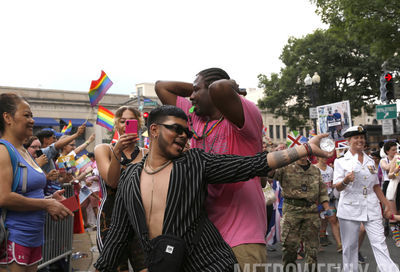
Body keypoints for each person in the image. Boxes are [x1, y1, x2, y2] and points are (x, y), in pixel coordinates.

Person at [94, 105, 333, 272]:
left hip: (207, 264)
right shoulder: (130, 178)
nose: (183, 135)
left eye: (186, 131)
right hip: (163, 264)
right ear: (154, 130)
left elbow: (251, 164)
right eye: (175, 129)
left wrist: (305, 149)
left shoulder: (195, 162)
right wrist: (100, 268)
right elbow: (118, 234)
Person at [155, 68, 266, 270]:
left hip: (242, 236)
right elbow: (162, 86)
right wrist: (202, 90)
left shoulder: (243, 116)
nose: (191, 96)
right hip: (206, 238)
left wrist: (224, 88)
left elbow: (221, 88)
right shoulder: (196, 119)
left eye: (197, 90)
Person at [0, 93, 73, 272]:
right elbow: (4, 197)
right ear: (7, 117)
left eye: (31, 115)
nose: (32, 120)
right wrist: (45, 204)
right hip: (14, 238)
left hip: (34, 238)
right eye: (26, 115)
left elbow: (28, 192)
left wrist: (50, 198)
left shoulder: (24, 151)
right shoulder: (3, 151)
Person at [333, 126, 399, 272]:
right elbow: (337, 187)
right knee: (350, 246)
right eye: (356, 138)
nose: (360, 140)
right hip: (350, 206)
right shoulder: (341, 161)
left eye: (362, 137)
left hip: (371, 205)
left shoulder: (370, 160)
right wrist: (345, 180)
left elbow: (375, 185)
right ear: (348, 140)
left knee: (380, 243)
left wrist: (386, 204)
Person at [94, 106, 147, 272]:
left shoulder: (147, 153)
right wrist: (117, 151)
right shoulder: (104, 150)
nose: (126, 125)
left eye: (130, 121)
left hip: (138, 220)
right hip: (110, 220)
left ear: (138, 124)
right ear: (116, 125)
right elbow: (112, 182)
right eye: (122, 121)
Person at [271, 154, 330, 271]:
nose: (302, 156)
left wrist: (327, 207)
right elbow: (270, 173)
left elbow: (322, 191)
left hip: (311, 212)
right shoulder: (285, 168)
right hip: (292, 212)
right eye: (300, 152)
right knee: (289, 248)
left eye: (305, 153)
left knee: (312, 250)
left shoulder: (315, 170)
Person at [315, 156, 342, 252]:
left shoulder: (330, 169)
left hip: (328, 198)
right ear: (318, 158)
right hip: (317, 200)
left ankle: (339, 244)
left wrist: (338, 184)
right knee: (316, 222)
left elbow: (332, 183)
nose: (325, 158)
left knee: (333, 220)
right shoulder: (314, 168)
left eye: (326, 157)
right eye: (323, 157)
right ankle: (317, 243)